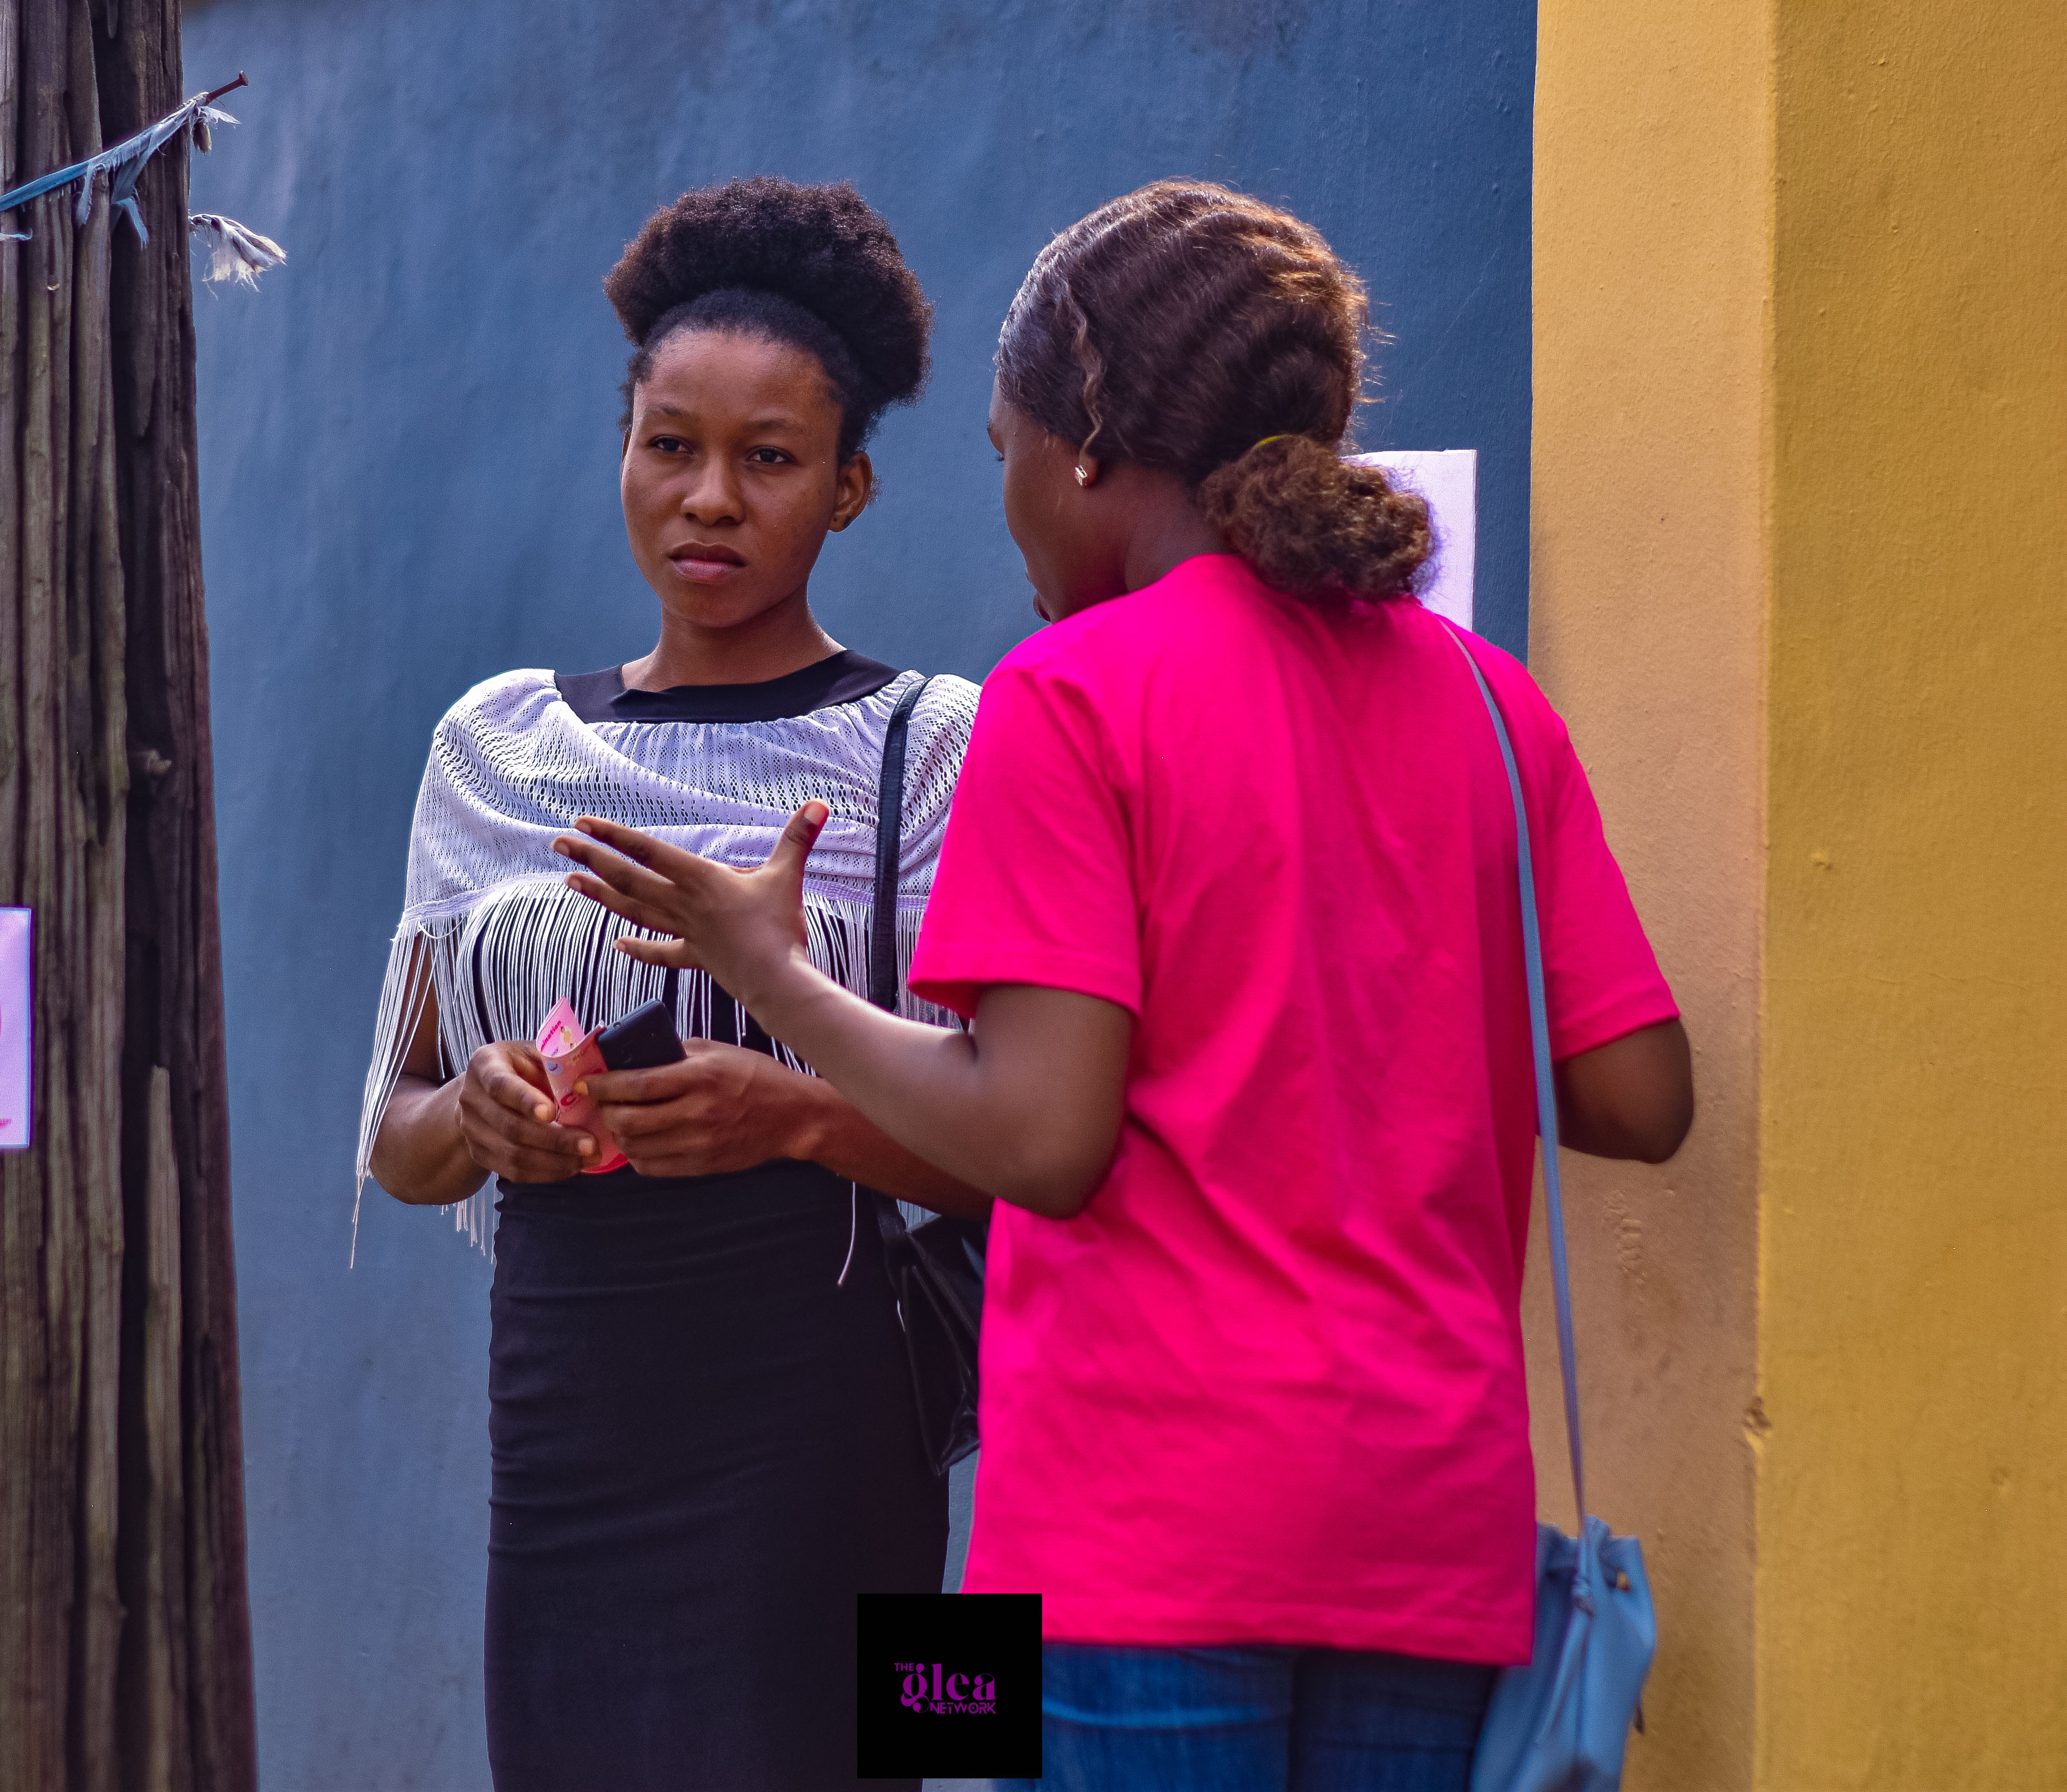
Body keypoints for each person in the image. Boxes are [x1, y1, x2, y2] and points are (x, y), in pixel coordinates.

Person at [556, 181, 1697, 1792]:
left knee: (942, 1736)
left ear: (1081, 440)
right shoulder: (1491, 704)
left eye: (1007, 445)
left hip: (1109, 1547)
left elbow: (1039, 1141)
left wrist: (775, 975)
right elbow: (1643, 1097)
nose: (1010, 494)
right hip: (1436, 1549)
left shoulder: (1073, 693)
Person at [356, 178, 986, 1792]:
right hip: (567, 1421)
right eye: (669, 447)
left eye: (768, 460)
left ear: (848, 488)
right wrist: (486, 1118)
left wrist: (797, 1117)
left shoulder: (930, 744)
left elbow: (1026, 1156)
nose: (709, 499)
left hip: (833, 1430)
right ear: (621, 451)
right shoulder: (496, 747)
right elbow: (397, 1142)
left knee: (869, 1765)